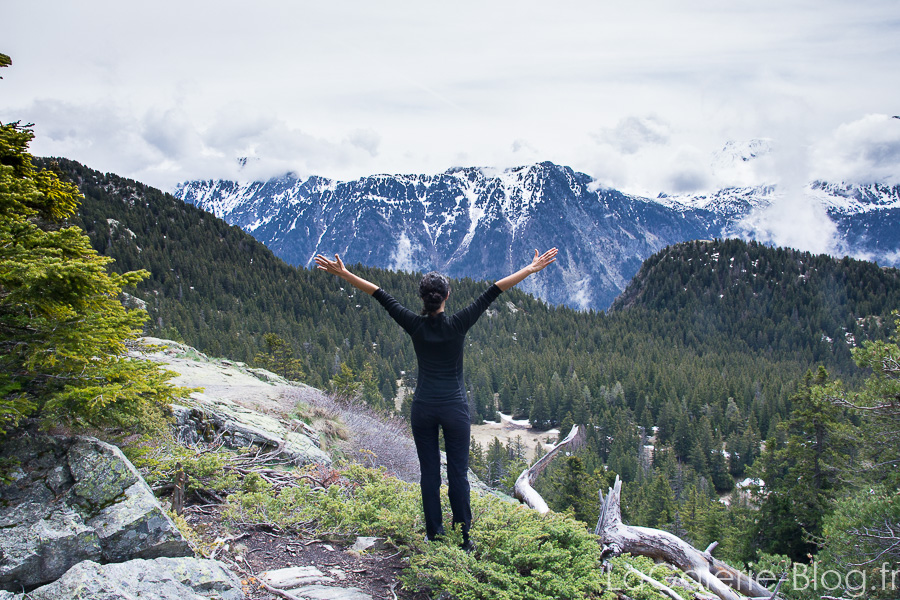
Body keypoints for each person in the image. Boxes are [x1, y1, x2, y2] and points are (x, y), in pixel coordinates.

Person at [314, 248, 558, 551]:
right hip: (455, 410)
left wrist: (344, 273)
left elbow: (379, 293)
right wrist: (531, 268)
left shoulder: (414, 324)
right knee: (458, 474)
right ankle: (464, 540)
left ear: (422, 298)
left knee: (429, 473)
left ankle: (434, 535)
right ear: (447, 296)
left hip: (424, 409)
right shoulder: (458, 323)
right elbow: (495, 289)